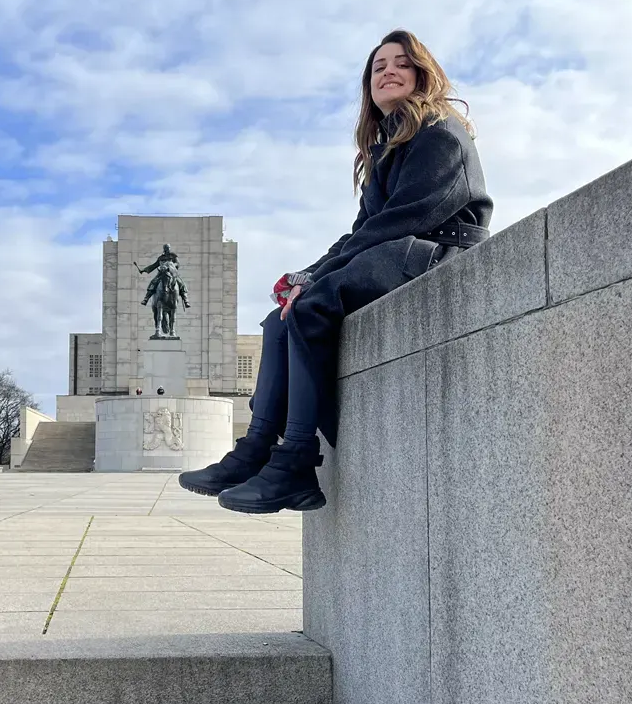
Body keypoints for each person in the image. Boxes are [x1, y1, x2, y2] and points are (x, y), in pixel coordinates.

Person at [178, 29, 493, 514]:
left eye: (401, 63)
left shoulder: (440, 131)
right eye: (378, 66)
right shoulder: (388, 145)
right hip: (400, 248)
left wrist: (317, 281)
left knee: (315, 304)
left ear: (422, 74)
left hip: (439, 252)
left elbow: (401, 219)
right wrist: (307, 272)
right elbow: (361, 231)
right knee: (281, 316)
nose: (388, 71)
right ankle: (258, 445)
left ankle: (297, 459)